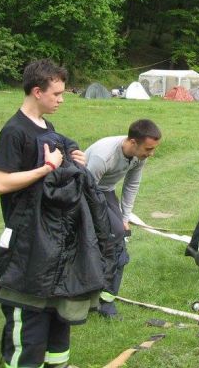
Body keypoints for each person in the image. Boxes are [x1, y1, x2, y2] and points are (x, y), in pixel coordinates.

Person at [0, 59, 97, 368]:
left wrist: (72, 161)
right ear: (37, 92)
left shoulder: (47, 127)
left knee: (55, 311)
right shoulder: (14, 132)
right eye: (57, 94)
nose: (62, 100)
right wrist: (47, 168)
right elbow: (0, 182)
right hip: (24, 238)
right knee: (28, 311)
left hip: (50, 239)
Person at [84, 119, 162, 318]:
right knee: (108, 240)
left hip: (106, 191)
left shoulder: (139, 156)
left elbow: (131, 185)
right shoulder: (103, 156)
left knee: (118, 237)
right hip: (85, 192)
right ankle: (89, 296)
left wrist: (125, 217)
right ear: (133, 142)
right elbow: (84, 190)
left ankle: (105, 301)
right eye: (148, 148)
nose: (151, 153)